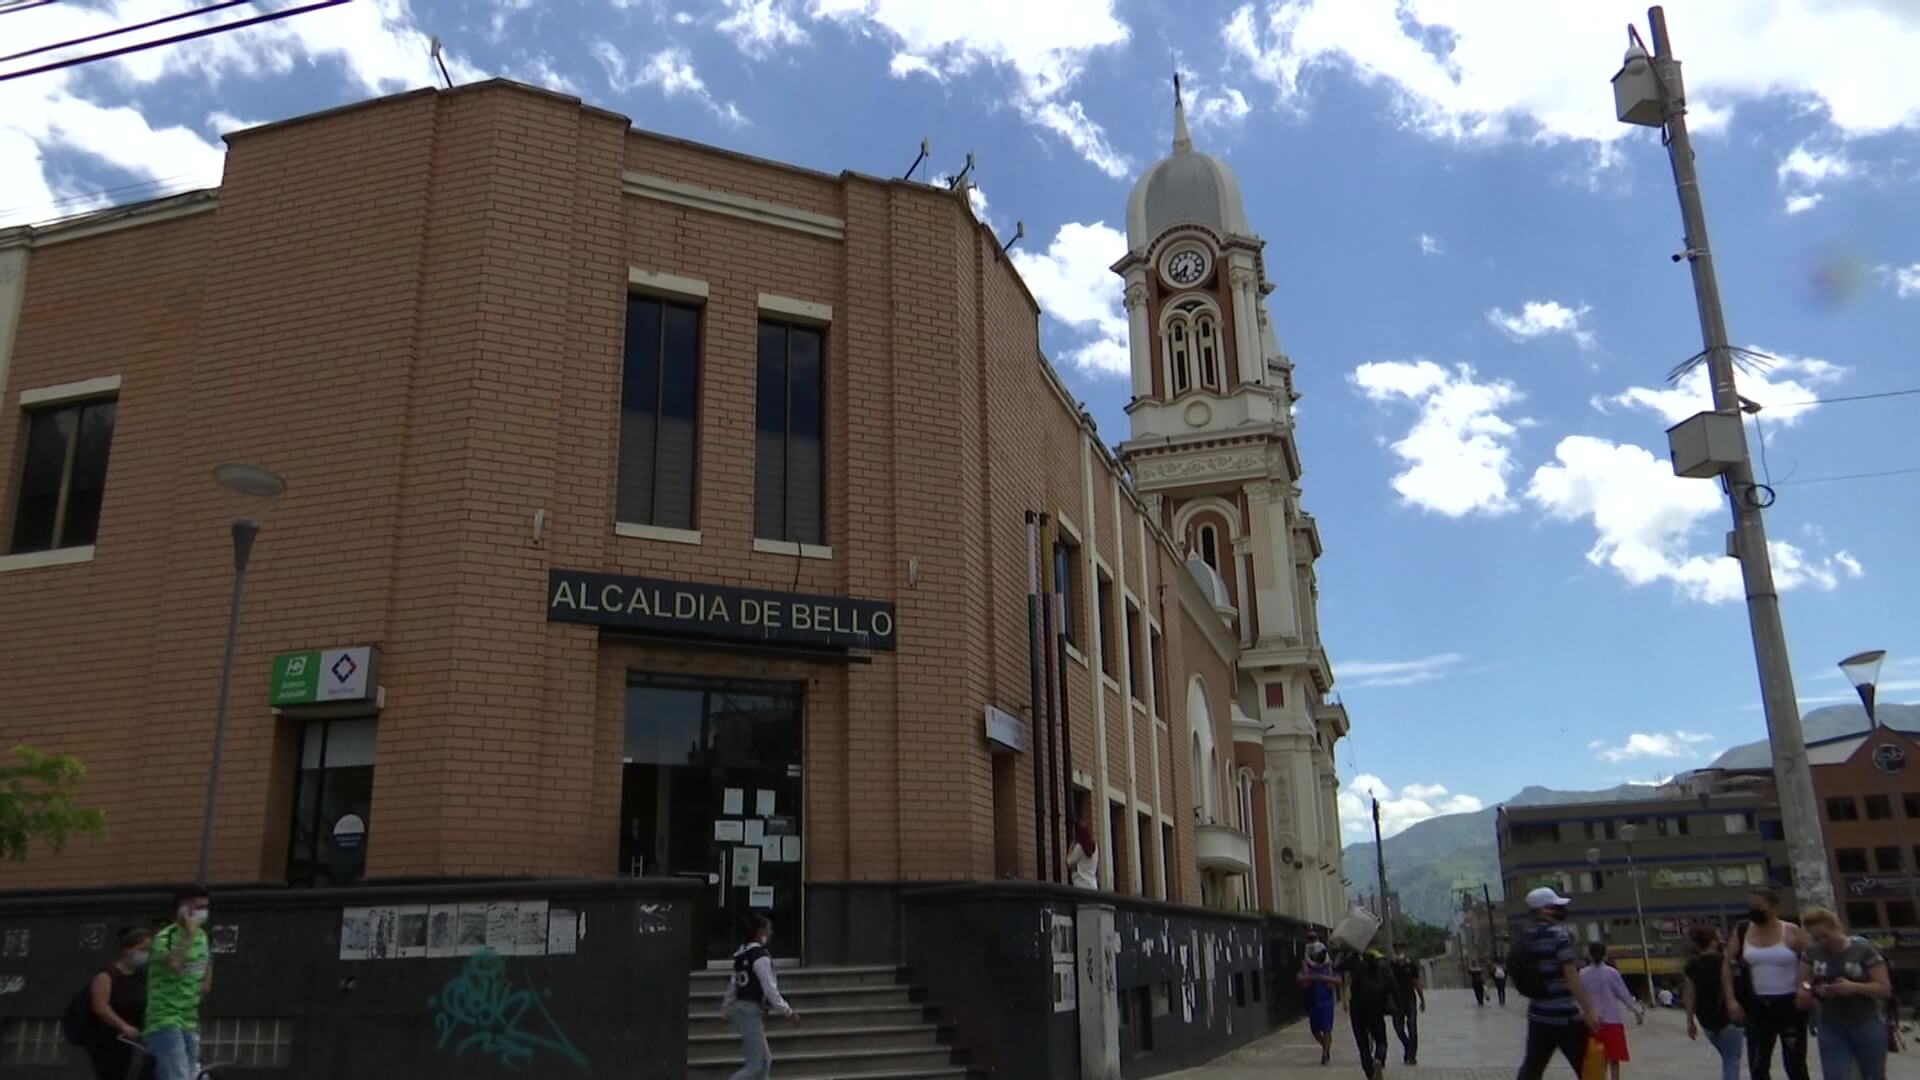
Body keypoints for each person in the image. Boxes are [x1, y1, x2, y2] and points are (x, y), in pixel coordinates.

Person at [1514, 886, 1601, 1080]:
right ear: (1545, 910)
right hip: (1565, 1016)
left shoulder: (1526, 937)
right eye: (1555, 906)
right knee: (1586, 1068)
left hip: (1538, 1014)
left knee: (1532, 1068)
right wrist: (1588, 1011)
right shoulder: (1559, 935)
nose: (1560, 910)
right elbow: (1571, 976)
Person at [1724, 887, 1811, 1080]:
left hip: (1790, 1004)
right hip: (1757, 1005)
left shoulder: (1790, 930)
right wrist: (1731, 1000)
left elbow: (1811, 960)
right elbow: (1727, 964)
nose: (1754, 910)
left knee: (1795, 1063)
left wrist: (1805, 988)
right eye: (1751, 906)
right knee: (1758, 1063)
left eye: (1759, 907)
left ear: (1774, 908)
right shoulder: (1743, 930)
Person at [1801, 906, 1891, 1080]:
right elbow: (1803, 982)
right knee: (1836, 1074)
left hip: (1865, 1022)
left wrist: (1854, 987)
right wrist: (1812, 990)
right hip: (1830, 1023)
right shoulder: (1812, 952)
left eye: (1826, 936)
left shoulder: (1864, 950)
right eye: (1816, 938)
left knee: (1872, 1074)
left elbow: (1884, 989)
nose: (1823, 942)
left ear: (1836, 927)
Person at [144, 887, 211, 1080]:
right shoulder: (165, 938)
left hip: (189, 1019)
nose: (203, 911)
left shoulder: (202, 937)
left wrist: (201, 990)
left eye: (206, 907)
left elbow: (206, 967)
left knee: (192, 1075)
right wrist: (188, 936)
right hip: (165, 1019)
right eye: (197, 907)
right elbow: (174, 964)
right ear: (182, 909)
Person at [722, 914, 798, 1080]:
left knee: (764, 1062)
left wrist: (726, 1008)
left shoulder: (742, 955)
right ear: (760, 931)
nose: (771, 932)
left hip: (743, 1009)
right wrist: (788, 1012)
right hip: (750, 1009)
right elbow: (770, 989)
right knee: (756, 1065)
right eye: (768, 928)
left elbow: (733, 984)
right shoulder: (760, 957)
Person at [81, 927, 151, 1080]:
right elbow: (100, 1006)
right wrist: (122, 1025)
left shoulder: (141, 976)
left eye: (148, 951)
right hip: (111, 1038)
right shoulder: (107, 975)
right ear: (127, 949)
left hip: (136, 1038)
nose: (145, 955)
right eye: (142, 949)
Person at [1684, 924, 1745, 1080]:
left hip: (1706, 1018)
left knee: (1727, 1058)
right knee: (1732, 1060)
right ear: (1712, 941)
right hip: (1728, 1015)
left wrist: (1690, 1021)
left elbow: (1690, 994)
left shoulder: (1692, 965)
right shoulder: (1725, 962)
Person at [1579, 942, 1645, 1080]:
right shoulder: (1611, 972)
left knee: (1596, 1059)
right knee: (1614, 1059)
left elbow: (1579, 997)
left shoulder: (1582, 973)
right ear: (1605, 954)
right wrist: (1636, 1011)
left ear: (1589, 955)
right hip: (1612, 1020)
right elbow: (1623, 994)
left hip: (1592, 1021)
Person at [1339, 943, 1399, 1080]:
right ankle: (1378, 1059)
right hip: (1374, 1003)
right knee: (1380, 1039)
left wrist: (1344, 1000)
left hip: (1356, 1005)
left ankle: (1370, 1074)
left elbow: (1346, 981)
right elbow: (1389, 982)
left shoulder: (1349, 960)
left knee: (1362, 1043)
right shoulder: (1375, 959)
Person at [1299, 941, 1342, 1066]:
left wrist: (1324, 979)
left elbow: (1338, 980)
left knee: (1327, 1028)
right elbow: (1301, 979)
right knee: (1315, 1030)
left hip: (1327, 1002)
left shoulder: (1329, 967)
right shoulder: (1308, 966)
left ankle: (1325, 1053)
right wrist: (1309, 975)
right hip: (1313, 1002)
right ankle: (1326, 1046)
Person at [1388, 942, 1425, 1066]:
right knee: (1398, 1028)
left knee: (1412, 1028)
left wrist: (1422, 999)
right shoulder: (1392, 965)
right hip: (1397, 1001)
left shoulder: (1411, 965)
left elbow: (1416, 982)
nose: (1399, 951)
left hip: (1410, 1000)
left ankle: (1411, 1056)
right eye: (1397, 949)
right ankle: (1407, 1046)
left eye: (1401, 948)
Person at [1066, 818, 1099, 890]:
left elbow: (1069, 863)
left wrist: (1071, 848)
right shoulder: (1095, 846)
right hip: (1092, 884)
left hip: (1080, 884)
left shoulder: (1079, 848)